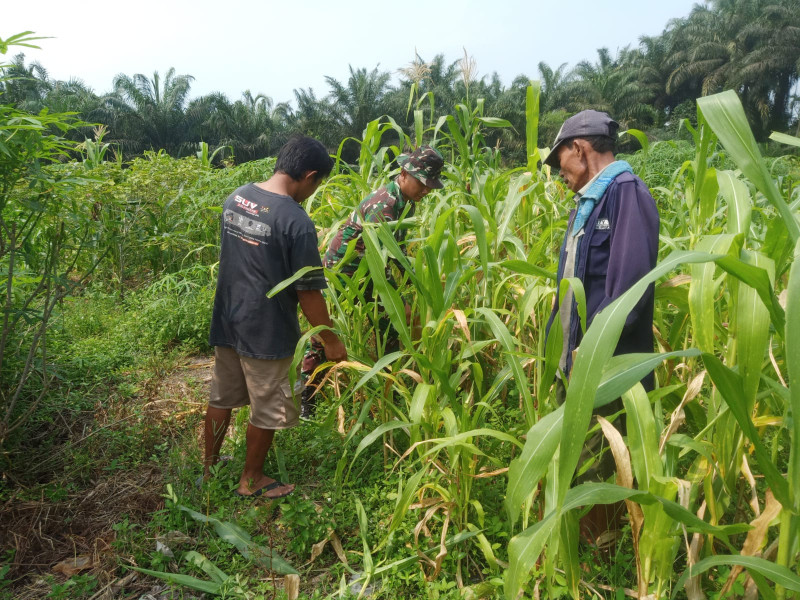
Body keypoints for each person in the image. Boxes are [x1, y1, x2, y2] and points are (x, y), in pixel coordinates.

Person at [204, 135, 347, 498]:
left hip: (228, 319)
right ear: (310, 175)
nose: (312, 192)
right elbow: (308, 291)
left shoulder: (237, 197)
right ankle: (251, 480)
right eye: (317, 184)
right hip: (266, 330)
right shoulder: (295, 221)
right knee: (267, 409)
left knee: (221, 398)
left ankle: (209, 469)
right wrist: (329, 339)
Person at [543, 110, 659, 539]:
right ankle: (580, 544)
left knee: (596, 465)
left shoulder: (625, 194)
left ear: (580, 148)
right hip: (575, 360)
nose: (560, 173)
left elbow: (629, 293)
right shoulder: (588, 203)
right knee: (575, 457)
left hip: (601, 366)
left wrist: (589, 355)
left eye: (561, 162)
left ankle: (599, 562)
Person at [300, 146, 445, 418]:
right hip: (347, 270)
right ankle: (307, 396)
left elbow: (394, 252)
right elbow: (384, 258)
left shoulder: (405, 199)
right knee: (326, 331)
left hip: (371, 269)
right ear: (404, 174)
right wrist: (413, 287)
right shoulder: (384, 205)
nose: (426, 190)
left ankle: (389, 385)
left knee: (393, 323)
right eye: (423, 182)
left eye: (431, 185)